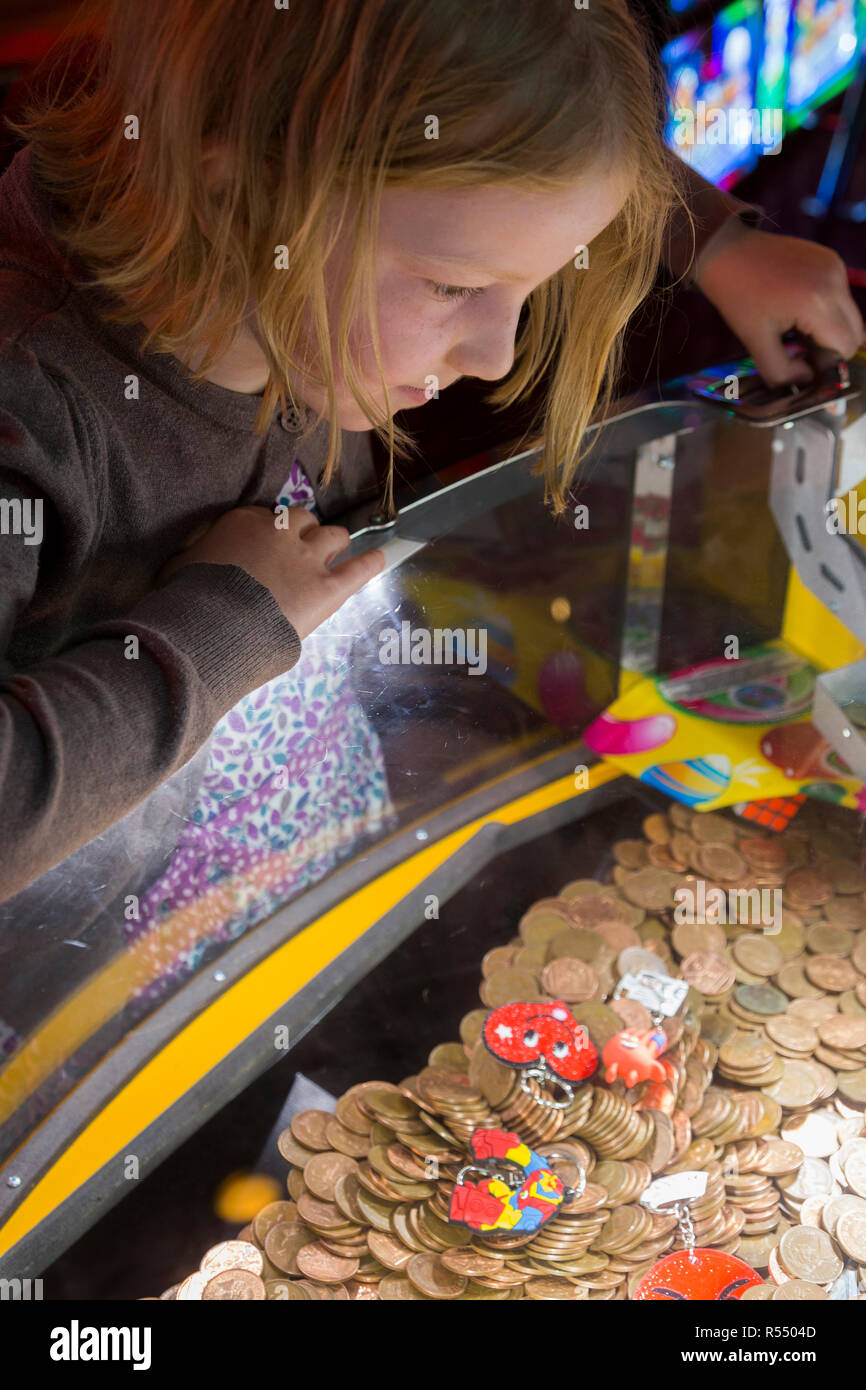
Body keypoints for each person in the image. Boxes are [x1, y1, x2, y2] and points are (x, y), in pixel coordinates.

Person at [0, 0, 861, 943]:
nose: (496, 353)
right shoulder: (34, 404)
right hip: (97, 1005)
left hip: (305, 878)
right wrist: (226, 626)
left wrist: (716, 242)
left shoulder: (284, 264)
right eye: (455, 287)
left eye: (534, 285)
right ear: (235, 197)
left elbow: (492, 144)